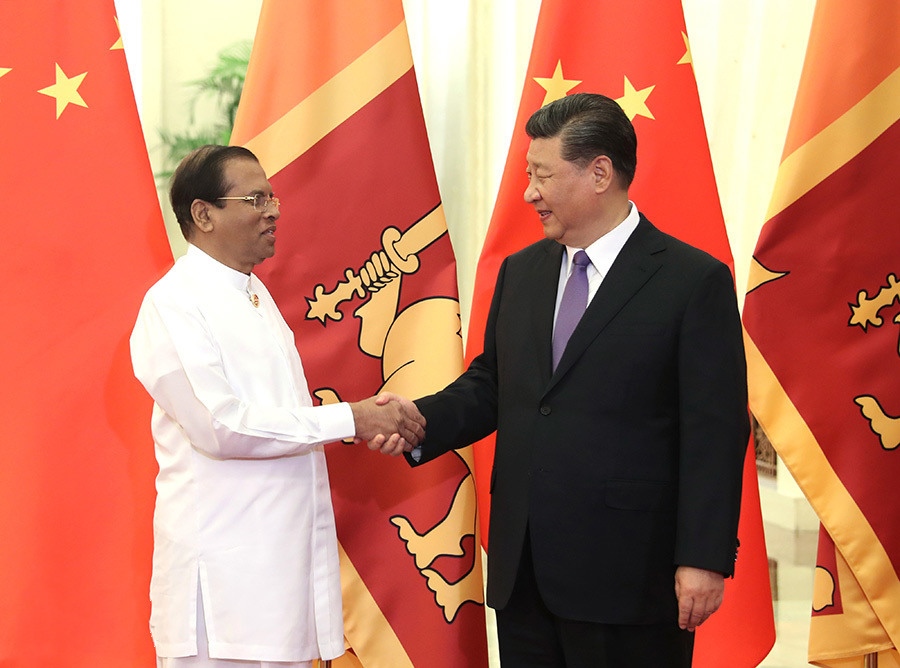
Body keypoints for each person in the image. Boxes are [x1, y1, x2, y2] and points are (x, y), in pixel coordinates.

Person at [397, 93, 748, 667]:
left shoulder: (691, 281)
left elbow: (715, 431)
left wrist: (703, 557)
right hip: (525, 573)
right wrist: (416, 421)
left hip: (630, 577)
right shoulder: (521, 272)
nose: (529, 193)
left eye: (542, 175)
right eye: (527, 175)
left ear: (599, 174)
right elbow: (493, 384)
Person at [130, 145, 424, 668]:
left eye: (272, 198)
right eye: (255, 199)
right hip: (224, 592)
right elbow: (220, 427)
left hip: (279, 580)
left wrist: (360, 421)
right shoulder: (173, 302)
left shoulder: (254, 294)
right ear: (203, 214)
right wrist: (351, 418)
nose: (273, 211)